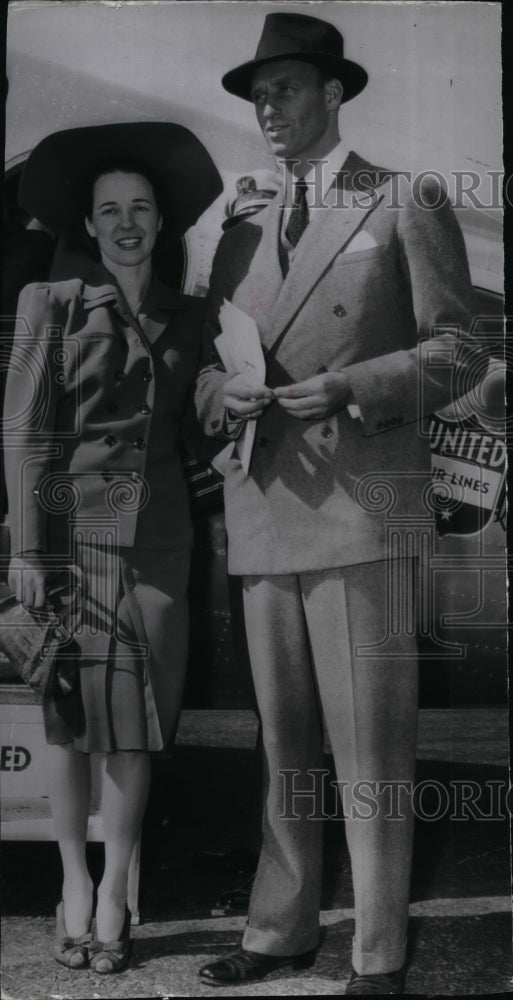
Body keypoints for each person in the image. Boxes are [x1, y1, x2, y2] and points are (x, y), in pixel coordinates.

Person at [194, 12, 481, 995]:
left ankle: (376, 951)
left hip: (365, 510)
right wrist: (218, 393)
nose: (267, 109)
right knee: (283, 743)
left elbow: (460, 351)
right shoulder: (238, 232)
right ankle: (280, 931)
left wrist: (354, 385)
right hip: (265, 509)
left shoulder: (405, 199)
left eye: (282, 90)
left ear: (332, 93)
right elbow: (205, 369)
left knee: (371, 742)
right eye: (258, 95)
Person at [3, 122, 221, 973]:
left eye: (140, 208)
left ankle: (118, 886)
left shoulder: (192, 317)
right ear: (88, 226)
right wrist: (29, 548)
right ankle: (71, 883)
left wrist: (232, 401)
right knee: (69, 725)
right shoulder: (49, 303)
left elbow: (199, 432)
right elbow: (24, 433)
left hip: (159, 546)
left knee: (135, 727)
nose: (126, 222)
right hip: (69, 540)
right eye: (108, 211)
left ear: (160, 222)